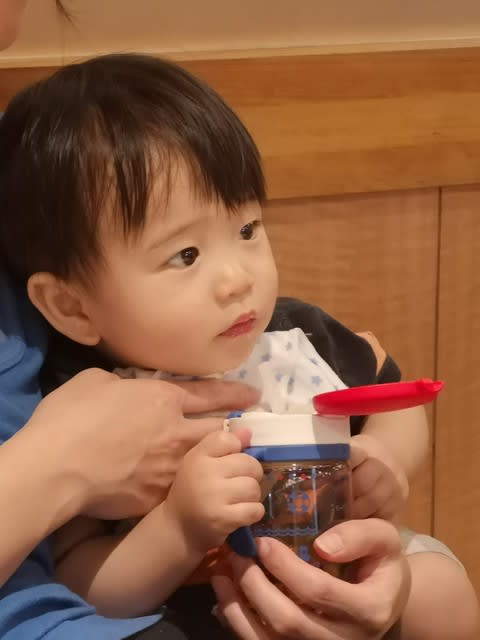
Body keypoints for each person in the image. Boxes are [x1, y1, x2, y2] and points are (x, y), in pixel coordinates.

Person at [0, 48, 477, 640]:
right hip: (193, 613)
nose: (237, 279)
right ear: (73, 307)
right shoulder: (76, 400)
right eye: (185, 255)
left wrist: (385, 460)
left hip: (336, 566)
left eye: (247, 229)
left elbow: (394, 398)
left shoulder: (292, 339)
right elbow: (84, 587)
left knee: (441, 589)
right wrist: (177, 529)